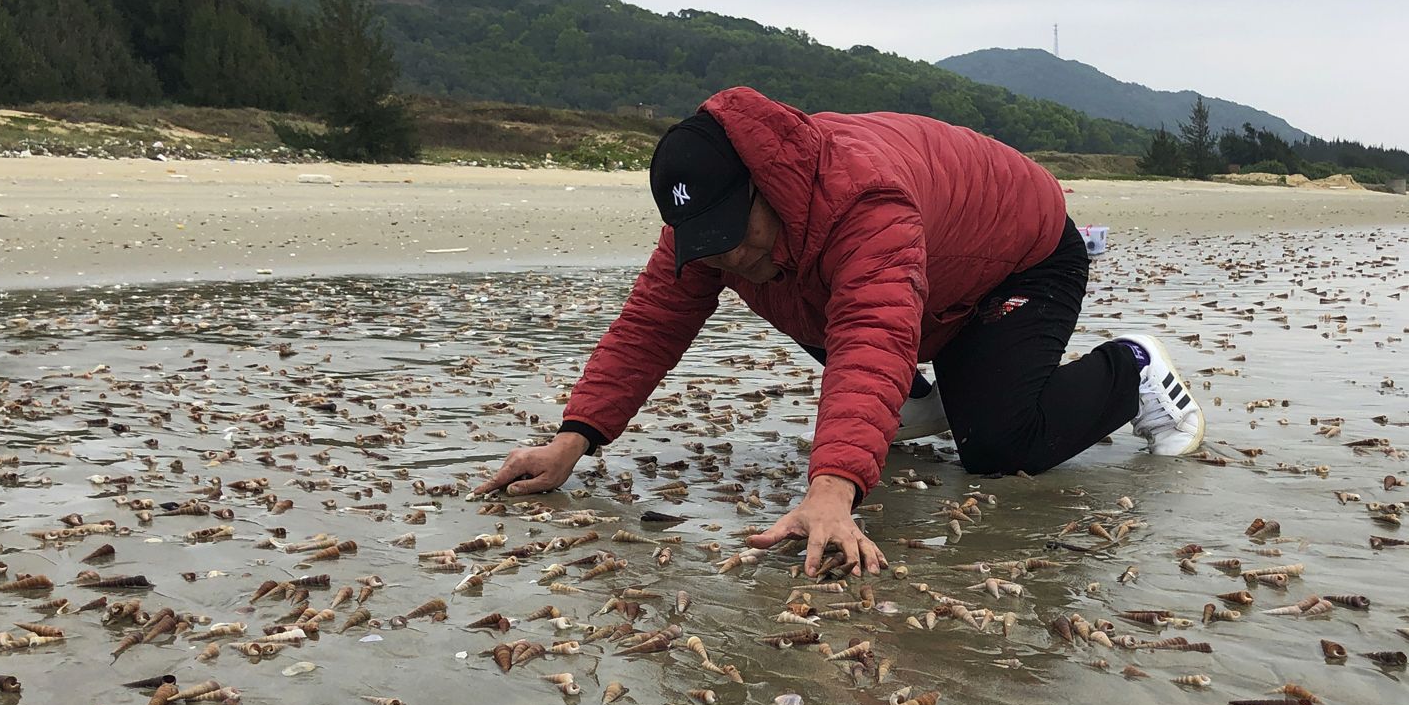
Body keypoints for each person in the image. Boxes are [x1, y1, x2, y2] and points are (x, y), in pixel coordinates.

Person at [473, 87, 1205, 575]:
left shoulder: (863, 200)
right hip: (928, 284)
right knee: (806, 294)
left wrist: (832, 491)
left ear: (765, 181)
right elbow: (650, 327)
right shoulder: (709, 230)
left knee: (1001, 446)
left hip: (1020, 258)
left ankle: (1132, 372)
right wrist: (573, 440)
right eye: (708, 240)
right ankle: (918, 398)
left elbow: (873, 332)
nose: (728, 256)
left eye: (735, 231)